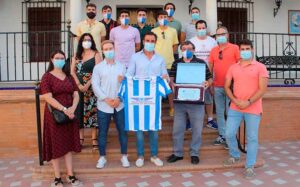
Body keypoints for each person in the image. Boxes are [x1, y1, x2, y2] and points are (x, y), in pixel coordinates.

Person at [223, 39, 268, 179]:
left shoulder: (260, 67)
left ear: (252, 50)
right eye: (242, 49)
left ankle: (249, 166)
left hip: (253, 108)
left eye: (247, 48)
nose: (244, 51)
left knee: (252, 138)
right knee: (229, 133)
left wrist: (248, 102)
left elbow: (262, 89)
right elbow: (226, 86)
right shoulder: (233, 67)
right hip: (235, 107)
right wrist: (235, 100)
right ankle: (235, 155)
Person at [127, 31, 168, 167]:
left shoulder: (160, 58)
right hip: (138, 98)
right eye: (147, 40)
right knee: (139, 129)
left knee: (154, 128)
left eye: (152, 41)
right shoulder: (135, 57)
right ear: (143, 42)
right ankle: (140, 155)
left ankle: (154, 155)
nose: (150, 43)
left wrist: (164, 78)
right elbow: (129, 74)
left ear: (155, 43)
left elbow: (165, 75)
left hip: (153, 99)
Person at [167, 41, 213, 165]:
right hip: (180, 101)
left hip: (197, 101)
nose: (187, 50)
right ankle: (177, 153)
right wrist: (172, 84)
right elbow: (171, 78)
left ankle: (194, 153)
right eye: (184, 48)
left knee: (197, 129)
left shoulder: (201, 63)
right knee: (178, 128)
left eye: (190, 48)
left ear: (194, 50)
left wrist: (207, 84)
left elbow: (210, 78)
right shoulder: (176, 63)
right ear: (181, 50)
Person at [40, 50, 81, 187]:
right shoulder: (47, 77)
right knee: (56, 146)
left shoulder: (69, 76)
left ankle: (71, 175)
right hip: (55, 116)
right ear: (51, 60)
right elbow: (47, 97)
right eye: (57, 58)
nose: (60, 60)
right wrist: (64, 109)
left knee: (68, 145)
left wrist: (72, 109)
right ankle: (57, 178)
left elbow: (76, 94)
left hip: (70, 114)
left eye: (62, 58)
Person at [92, 40, 129, 169]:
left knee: (122, 132)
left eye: (111, 48)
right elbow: (95, 86)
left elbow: (125, 84)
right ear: (103, 51)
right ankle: (102, 157)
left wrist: (119, 98)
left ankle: (124, 156)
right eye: (106, 49)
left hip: (120, 104)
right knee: (102, 132)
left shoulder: (122, 66)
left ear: (114, 49)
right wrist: (107, 99)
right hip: (104, 105)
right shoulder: (98, 68)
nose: (109, 51)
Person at [209, 26, 240, 147]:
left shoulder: (235, 48)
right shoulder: (214, 50)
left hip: (231, 86)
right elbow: (210, 68)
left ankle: (231, 136)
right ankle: (222, 135)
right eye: (218, 35)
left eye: (223, 34)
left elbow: (239, 65)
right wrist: (210, 82)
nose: (220, 36)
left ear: (227, 35)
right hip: (217, 85)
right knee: (220, 112)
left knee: (230, 112)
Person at [71, 33, 101, 149]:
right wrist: (78, 84)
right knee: (79, 112)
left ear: (92, 41)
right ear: (81, 42)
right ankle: (80, 138)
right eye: (84, 40)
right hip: (78, 87)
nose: (86, 42)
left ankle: (94, 139)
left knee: (92, 111)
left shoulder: (96, 54)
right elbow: (72, 72)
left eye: (89, 40)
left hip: (92, 86)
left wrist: (88, 84)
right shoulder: (76, 55)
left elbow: (98, 71)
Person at [190, 20, 218, 130]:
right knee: (193, 98)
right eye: (199, 28)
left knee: (208, 98)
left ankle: (210, 120)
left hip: (208, 74)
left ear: (206, 28)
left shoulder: (212, 41)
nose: (201, 30)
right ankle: (192, 121)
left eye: (203, 28)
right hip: (195, 73)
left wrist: (212, 77)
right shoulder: (191, 41)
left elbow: (215, 59)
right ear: (196, 29)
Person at [152, 10, 178, 116]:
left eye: (165, 16)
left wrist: (169, 53)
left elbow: (175, 45)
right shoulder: (153, 30)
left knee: (169, 87)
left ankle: (172, 108)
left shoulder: (173, 31)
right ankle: (155, 109)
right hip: (155, 63)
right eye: (161, 17)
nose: (163, 18)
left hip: (169, 62)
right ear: (158, 19)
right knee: (155, 87)